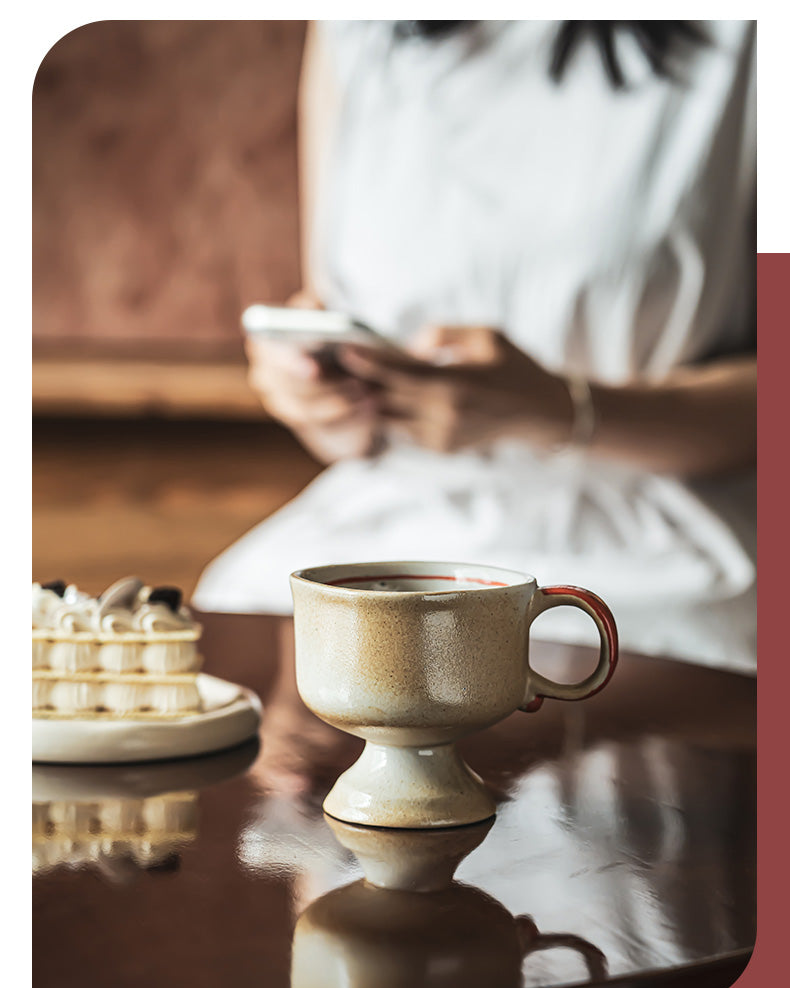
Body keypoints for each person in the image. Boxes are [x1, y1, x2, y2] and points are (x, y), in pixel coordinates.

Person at [193, 20, 756, 673]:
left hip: (663, 556)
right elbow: (335, 337)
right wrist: (319, 397)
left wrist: (557, 409)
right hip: (382, 528)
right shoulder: (357, 26)